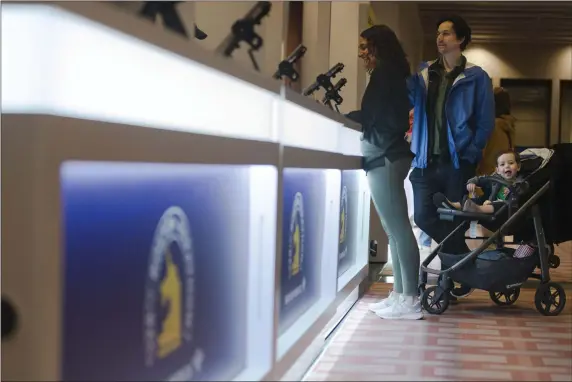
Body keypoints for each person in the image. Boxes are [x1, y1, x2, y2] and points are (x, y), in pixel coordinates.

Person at [346, 25, 422, 320]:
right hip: (385, 155)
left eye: (366, 46)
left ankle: (410, 299)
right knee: (394, 230)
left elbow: (385, 118)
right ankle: (401, 295)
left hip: (386, 156)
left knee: (399, 229)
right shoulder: (390, 73)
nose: (362, 52)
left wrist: (357, 120)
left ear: (379, 47)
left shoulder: (385, 75)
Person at [407, 14, 495, 257]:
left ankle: (451, 283)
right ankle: (464, 260)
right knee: (424, 216)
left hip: (458, 163)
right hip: (425, 161)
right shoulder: (425, 74)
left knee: (454, 221)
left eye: (446, 33)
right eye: (438, 34)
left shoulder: (477, 76)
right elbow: (405, 101)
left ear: (461, 39)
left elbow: (485, 121)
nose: (440, 38)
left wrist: (471, 153)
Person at [434, 149, 523, 214]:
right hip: (488, 206)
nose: (507, 166)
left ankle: (477, 209)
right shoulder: (494, 179)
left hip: (505, 213)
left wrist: (491, 203)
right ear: (498, 170)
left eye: (511, 163)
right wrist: (471, 183)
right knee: (475, 199)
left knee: (501, 205)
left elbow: (516, 199)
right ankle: (454, 205)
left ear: (518, 167)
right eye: (502, 164)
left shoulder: (520, 184)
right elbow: (480, 179)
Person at [477, 87, 516, 176]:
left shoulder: (489, 126)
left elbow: (479, 156)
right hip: (502, 177)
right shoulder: (509, 127)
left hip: (486, 178)